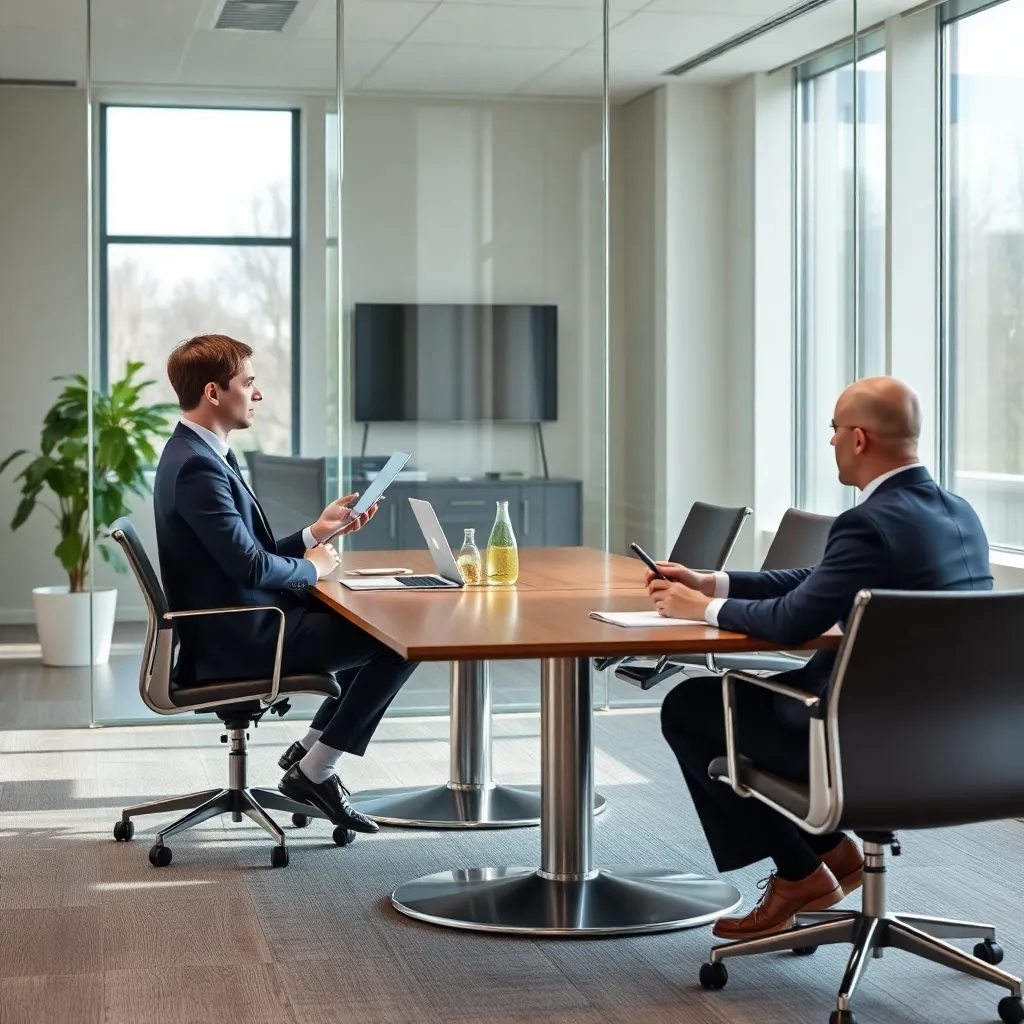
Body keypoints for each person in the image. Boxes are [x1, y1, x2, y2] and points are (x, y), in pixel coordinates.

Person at [648, 376, 992, 941]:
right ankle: (833, 853)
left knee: (693, 706)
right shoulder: (958, 513)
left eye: (833, 430)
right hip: (954, 746)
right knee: (725, 707)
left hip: (861, 742)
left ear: (858, 439)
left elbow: (793, 621)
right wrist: (717, 582)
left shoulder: (870, 522)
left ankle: (802, 873)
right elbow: (818, 582)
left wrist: (700, 608)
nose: (829, 441)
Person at [154, 334, 418, 835]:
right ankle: (317, 769)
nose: (257, 395)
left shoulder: (199, 453)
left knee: (381, 622)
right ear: (214, 392)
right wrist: (315, 568)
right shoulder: (195, 466)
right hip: (244, 639)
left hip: (249, 620)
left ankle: (311, 752)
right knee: (401, 638)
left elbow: (244, 552)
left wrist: (315, 534)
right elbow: (250, 568)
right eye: (248, 383)